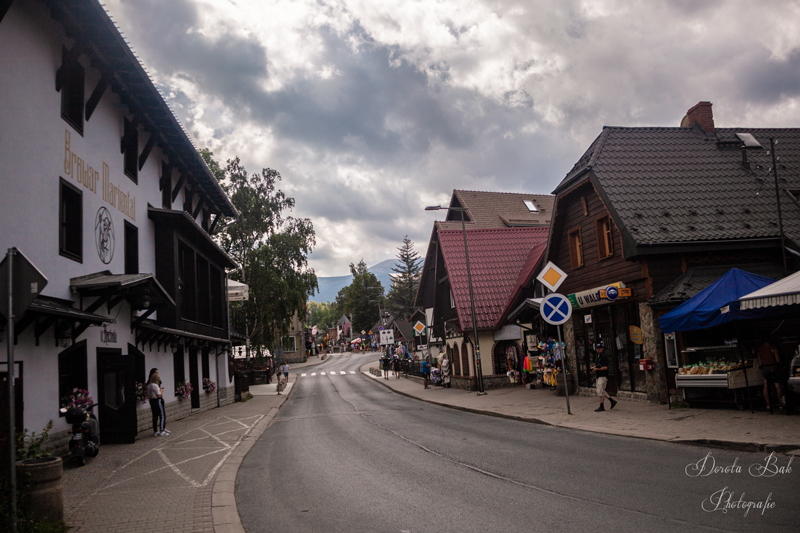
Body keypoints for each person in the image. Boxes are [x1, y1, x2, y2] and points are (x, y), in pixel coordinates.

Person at [757, 335, 783, 409]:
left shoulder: (760, 349)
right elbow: (778, 360)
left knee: (766, 386)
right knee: (777, 386)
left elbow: (760, 362)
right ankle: (780, 402)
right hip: (773, 367)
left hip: (764, 368)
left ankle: (768, 404)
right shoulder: (773, 348)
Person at [590, 342, 617, 412]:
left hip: (603, 376)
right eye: (597, 348)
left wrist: (597, 369)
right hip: (598, 376)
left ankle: (602, 406)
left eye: (599, 348)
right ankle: (612, 401)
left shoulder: (604, 357)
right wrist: (593, 368)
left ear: (602, 349)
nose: (598, 349)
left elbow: (605, 367)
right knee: (600, 390)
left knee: (600, 391)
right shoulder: (597, 357)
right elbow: (598, 365)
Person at [147, 368, 168, 436]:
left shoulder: (148, 385)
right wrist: (161, 390)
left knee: (155, 416)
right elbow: (158, 394)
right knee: (162, 415)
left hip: (151, 401)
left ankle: (155, 431)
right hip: (157, 400)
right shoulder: (155, 386)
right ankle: (162, 430)